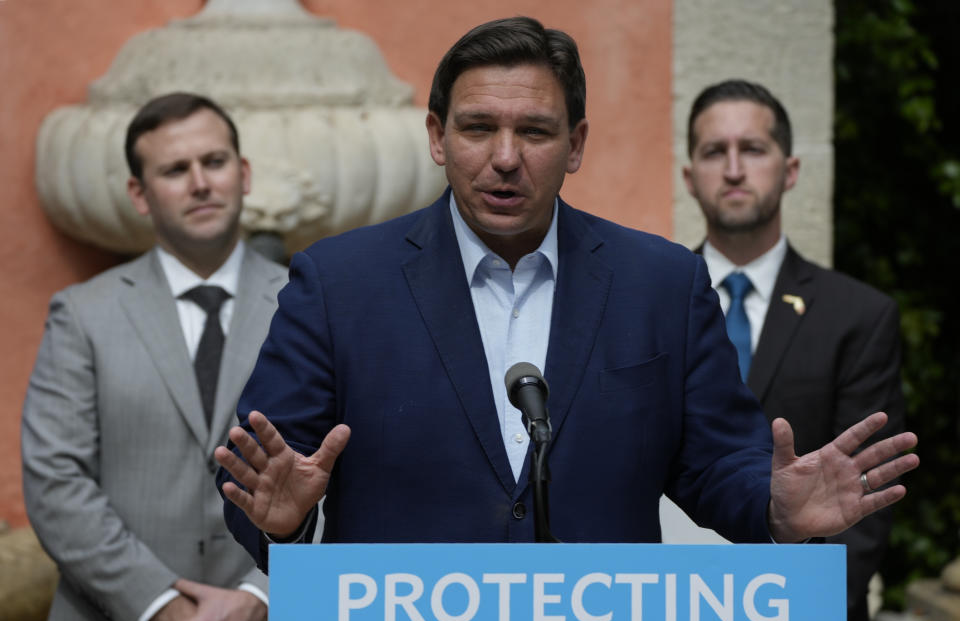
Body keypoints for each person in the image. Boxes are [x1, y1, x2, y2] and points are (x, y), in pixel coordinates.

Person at [215, 17, 917, 575]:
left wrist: (773, 508)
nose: (506, 156)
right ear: (437, 136)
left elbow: (713, 461)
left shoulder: (661, 283)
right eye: (478, 127)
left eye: (535, 131)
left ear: (575, 143)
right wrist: (282, 520)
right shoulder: (339, 282)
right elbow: (270, 474)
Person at [21, 92, 286, 621]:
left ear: (243, 173)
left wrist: (260, 598)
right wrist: (163, 606)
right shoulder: (82, 315)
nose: (200, 183)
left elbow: (348, 474)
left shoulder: (312, 305)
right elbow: (55, 482)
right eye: (174, 169)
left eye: (214, 163)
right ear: (139, 195)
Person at [679, 78, 906, 621]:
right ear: (690, 177)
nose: (734, 169)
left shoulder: (858, 314)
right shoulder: (640, 303)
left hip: (804, 619)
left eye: (753, 149)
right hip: (667, 609)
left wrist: (798, 614)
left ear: (791, 169)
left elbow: (866, 505)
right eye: (714, 152)